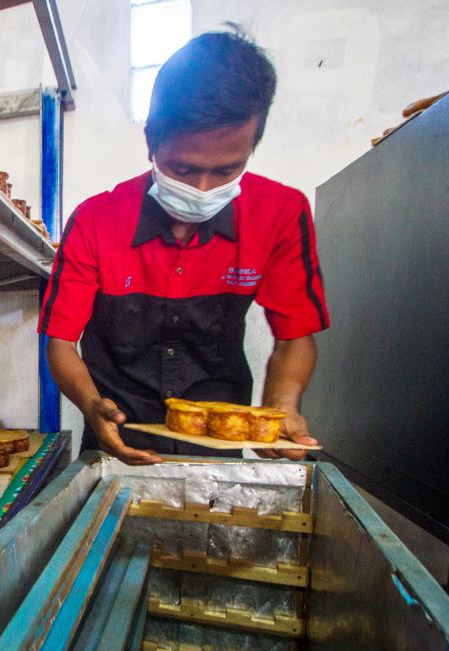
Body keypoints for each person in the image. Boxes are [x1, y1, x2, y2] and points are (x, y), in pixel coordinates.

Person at [39, 28, 329, 465]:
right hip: (118, 438)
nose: (202, 187)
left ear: (253, 146)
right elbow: (61, 343)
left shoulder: (280, 214)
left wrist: (282, 408)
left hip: (219, 447)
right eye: (183, 167)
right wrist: (90, 406)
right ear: (151, 140)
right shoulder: (96, 221)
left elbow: (294, 339)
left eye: (227, 169)